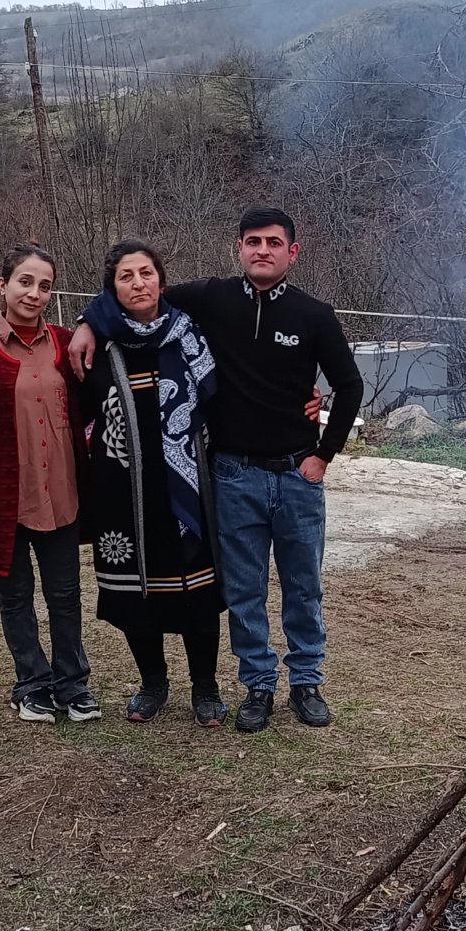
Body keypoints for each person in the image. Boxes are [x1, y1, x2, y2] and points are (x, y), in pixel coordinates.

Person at [70, 207, 364, 733]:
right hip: (232, 474)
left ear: (292, 252)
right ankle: (257, 686)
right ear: (239, 248)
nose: (263, 251)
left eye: (274, 243)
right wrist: (85, 324)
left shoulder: (314, 314)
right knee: (245, 589)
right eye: (253, 241)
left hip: (298, 473)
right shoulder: (210, 298)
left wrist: (325, 454)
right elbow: (134, 295)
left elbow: (350, 385)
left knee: (303, 586)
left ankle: (307, 682)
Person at [79, 241, 230, 727]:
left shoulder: (189, 334)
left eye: (146, 273)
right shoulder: (98, 344)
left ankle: (205, 686)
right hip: (122, 490)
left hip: (189, 484)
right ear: (112, 289)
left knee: (198, 591)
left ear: (161, 281)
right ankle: (153, 683)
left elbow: (221, 398)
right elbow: (79, 414)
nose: (138, 283)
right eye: (126, 276)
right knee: (135, 593)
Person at [0, 245, 101, 724]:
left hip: (60, 492)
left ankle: (73, 684)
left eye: (44, 285)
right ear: (2, 284)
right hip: (4, 498)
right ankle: (31, 683)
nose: (34, 294)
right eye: (24, 282)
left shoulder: (67, 342)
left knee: (65, 595)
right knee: (15, 597)